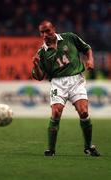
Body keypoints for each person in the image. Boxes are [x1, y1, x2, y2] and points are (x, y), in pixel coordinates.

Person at [32, 20, 100, 156]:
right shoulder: (42, 53)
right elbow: (39, 77)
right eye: (42, 32)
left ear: (54, 29)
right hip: (58, 83)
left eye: (47, 31)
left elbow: (87, 48)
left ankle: (88, 147)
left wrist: (90, 60)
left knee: (84, 112)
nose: (44, 35)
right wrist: (36, 65)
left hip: (76, 80)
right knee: (56, 113)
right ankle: (51, 150)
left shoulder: (69, 37)